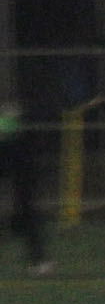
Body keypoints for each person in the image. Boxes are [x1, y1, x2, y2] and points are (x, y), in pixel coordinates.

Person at [1, 98, 51, 274]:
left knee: (27, 218)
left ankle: (40, 260)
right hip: (21, 182)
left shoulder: (19, 142)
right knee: (24, 219)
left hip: (24, 182)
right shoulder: (17, 141)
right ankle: (38, 259)